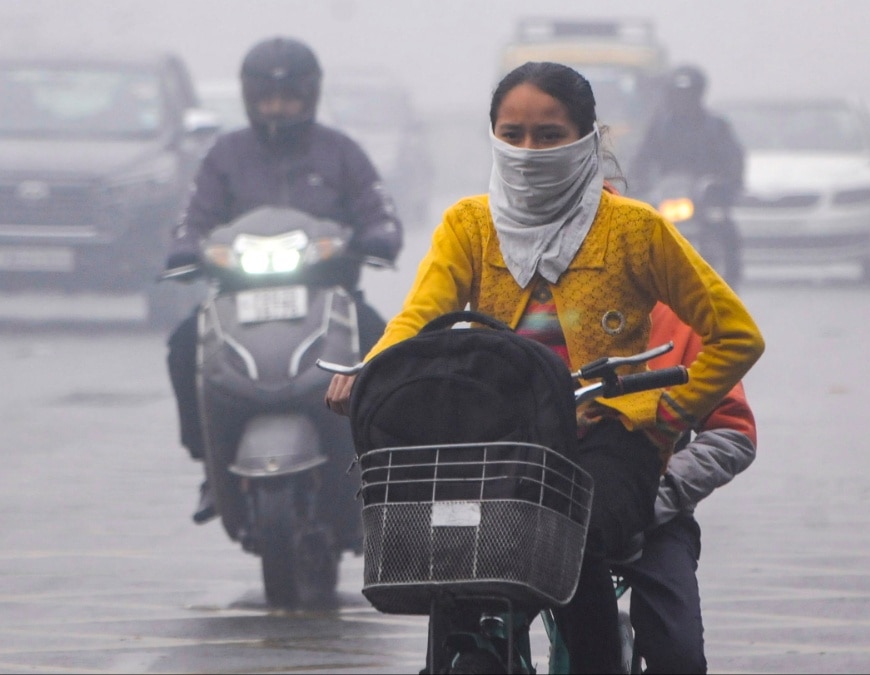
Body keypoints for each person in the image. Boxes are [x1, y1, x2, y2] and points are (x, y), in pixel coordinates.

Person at [325, 61, 764, 673]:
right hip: (499, 443)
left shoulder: (637, 230)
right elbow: (417, 321)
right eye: (513, 134)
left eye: (549, 135)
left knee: (570, 540)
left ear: (588, 138)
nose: (528, 151)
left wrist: (656, 413)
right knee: (453, 558)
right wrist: (371, 370)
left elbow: (737, 335)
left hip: (606, 447)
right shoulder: (468, 225)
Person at [165, 36, 402, 524]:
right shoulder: (224, 156)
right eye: (268, 98)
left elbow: (380, 214)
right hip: (236, 300)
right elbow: (192, 218)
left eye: (289, 98)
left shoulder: (342, 153)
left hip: (330, 298)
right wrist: (187, 247)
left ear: (310, 95)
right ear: (250, 97)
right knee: (183, 343)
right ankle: (209, 461)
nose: (278, 109)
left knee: (385, 349)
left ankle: (383, 466)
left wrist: (375, 238)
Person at [614, 302, 757, 674]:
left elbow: (733, 433)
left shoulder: (681, 320)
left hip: (652, 516)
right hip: (543, 511)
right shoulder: (525, 303)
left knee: (679, 657)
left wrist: (660, 492)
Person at [628, 64, 745, 205]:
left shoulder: (716, 127)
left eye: (689, 94)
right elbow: (643, 157)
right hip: (665, 196)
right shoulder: (660, 127)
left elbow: (733, 160)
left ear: (698, 95)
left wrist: (724, 184)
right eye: (678, 94)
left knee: (721, 224)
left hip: (705, 199)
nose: (683, 100)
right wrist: (637, 181)